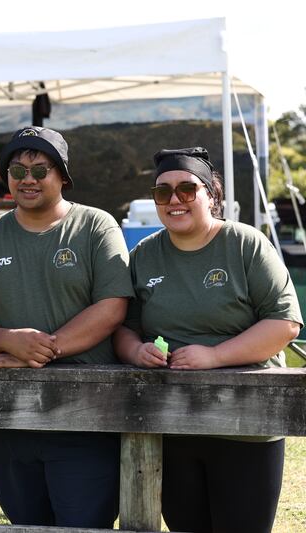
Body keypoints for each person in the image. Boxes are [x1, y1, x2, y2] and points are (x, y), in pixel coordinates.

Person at [113, 147, 302, 533]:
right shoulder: (144, 255)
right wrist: (135, 350)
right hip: (172, 423)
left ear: (211, 195)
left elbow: (284, 323)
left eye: (187, 188)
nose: (174, 200)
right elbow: (121, 326)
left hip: (247, 422)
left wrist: (216, 356)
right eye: (162, 193)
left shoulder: (245, 244)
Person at [0, 126, 133, 528]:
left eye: (41, 170)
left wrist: (43, 349)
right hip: (9, 417)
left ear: (62, 177)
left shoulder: (96, 226)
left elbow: (112, 307)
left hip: (85, 413)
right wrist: (6, 340)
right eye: (17, 171)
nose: (28, 180)